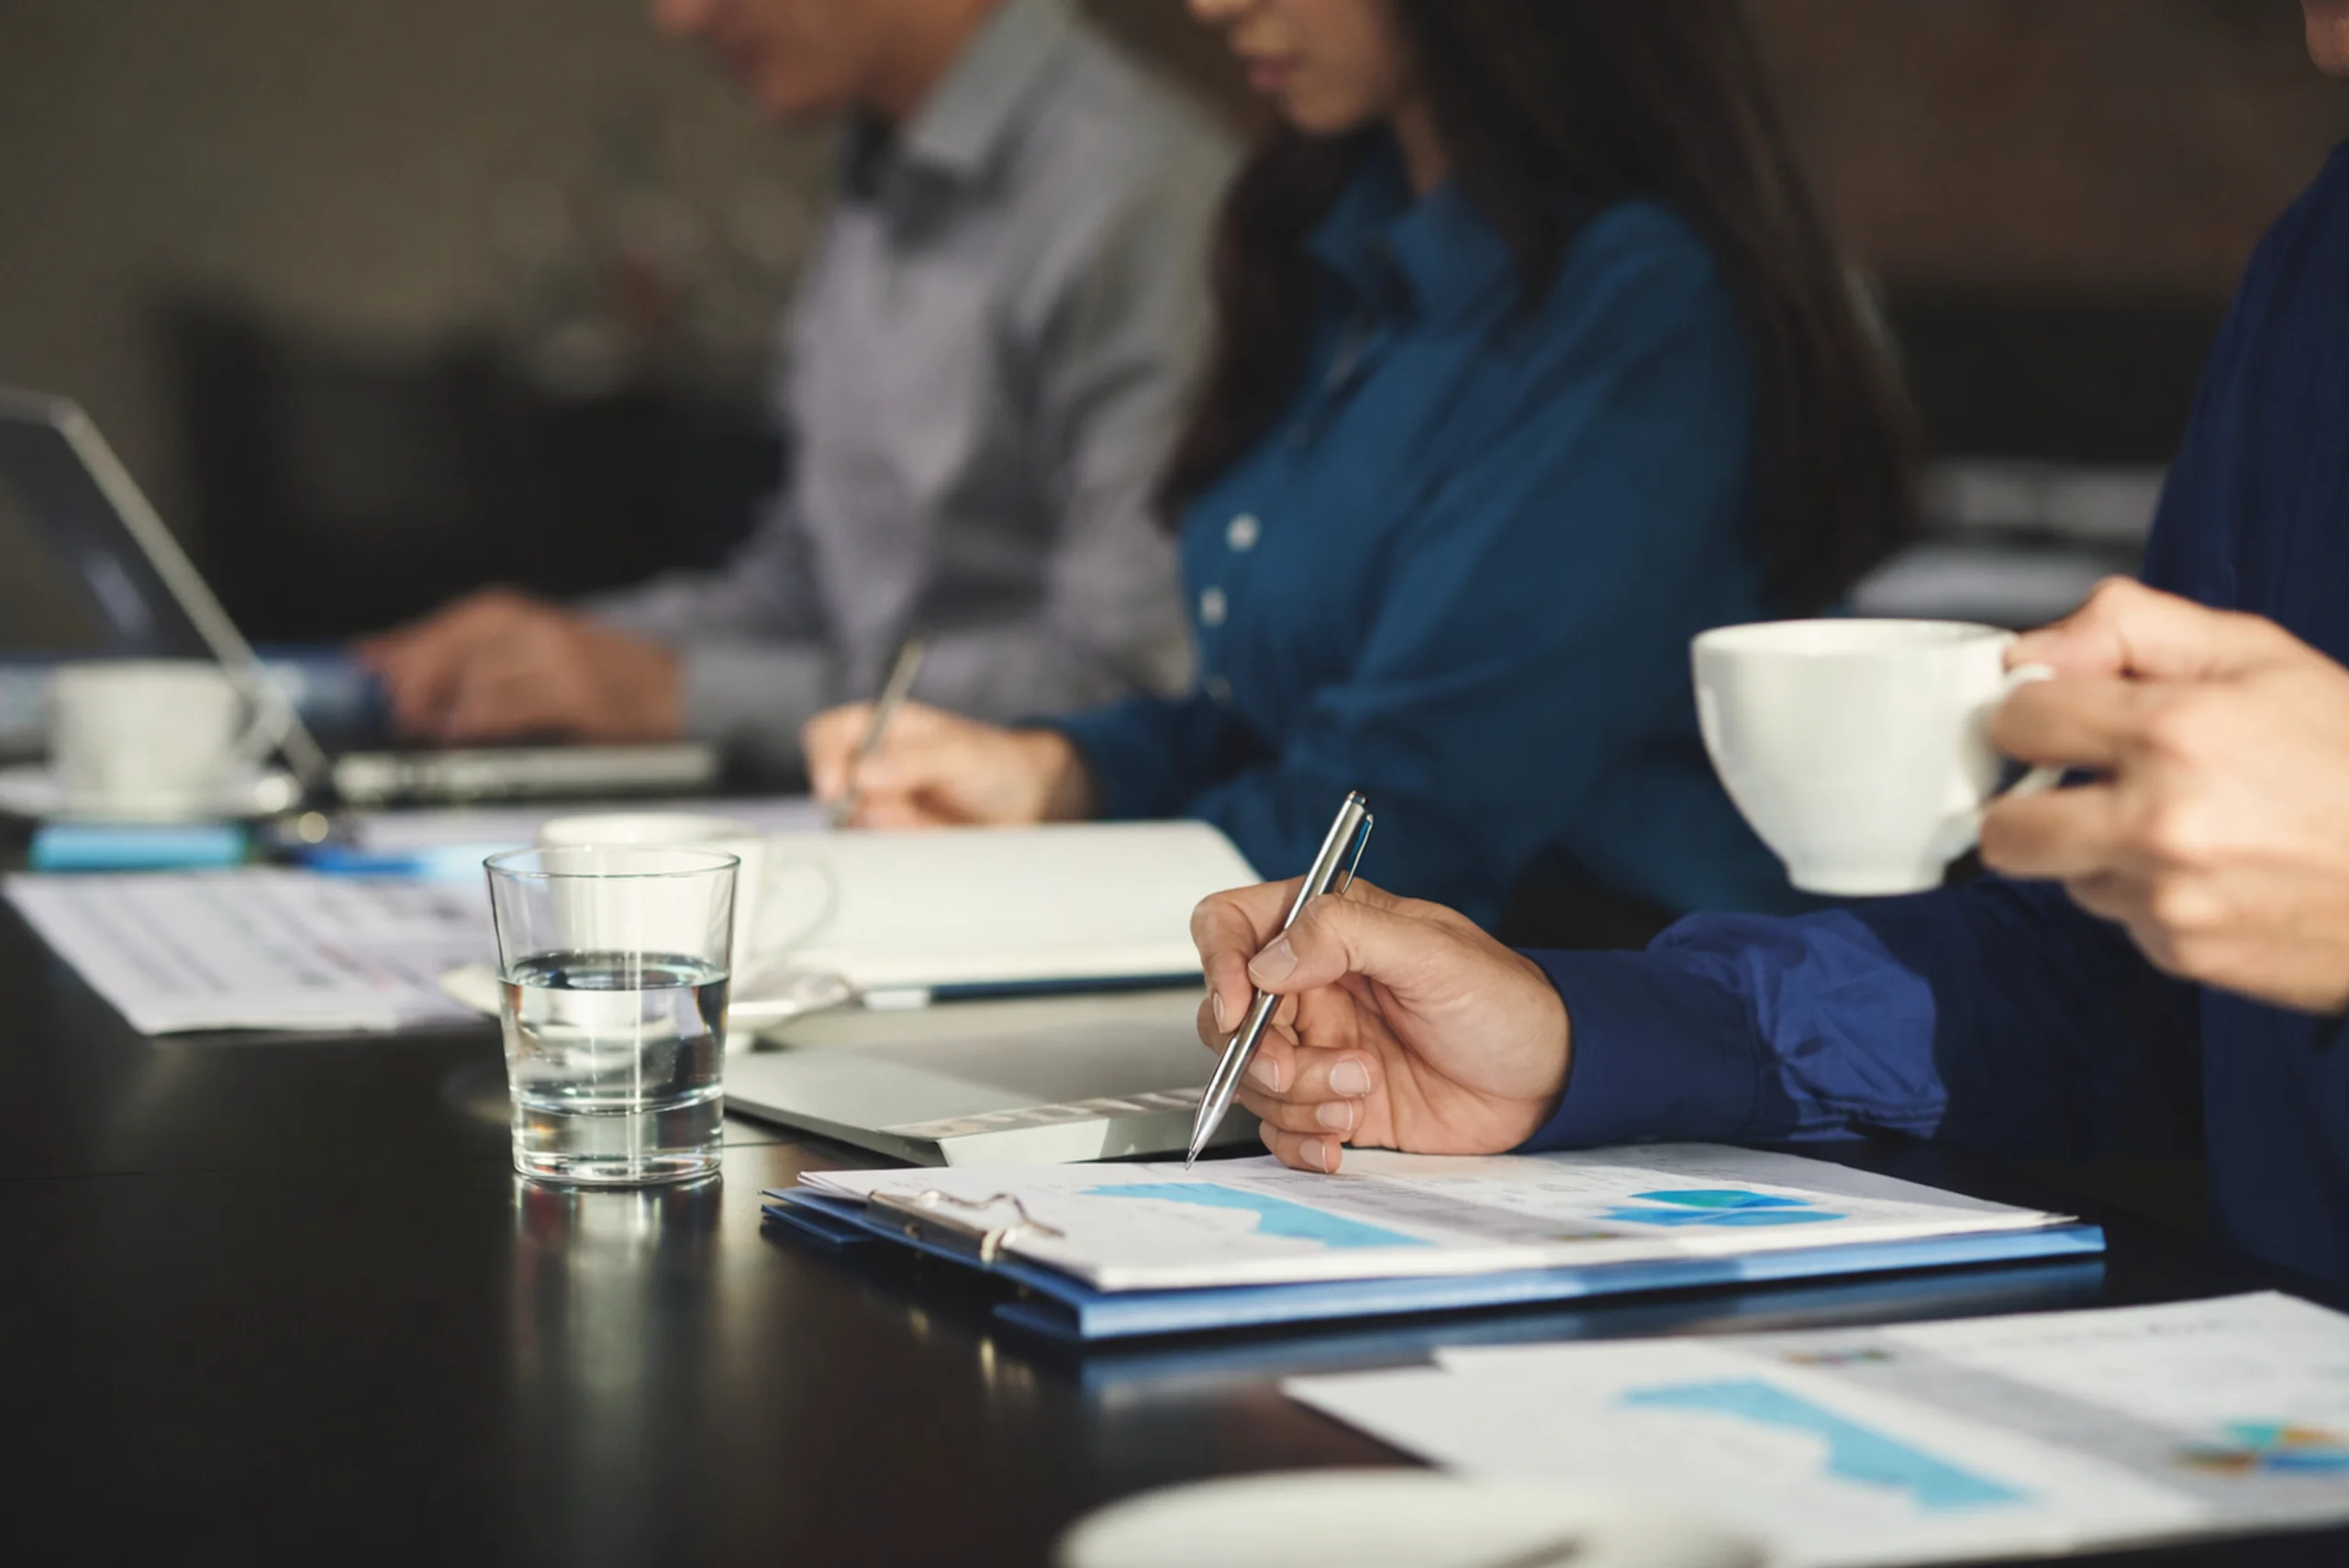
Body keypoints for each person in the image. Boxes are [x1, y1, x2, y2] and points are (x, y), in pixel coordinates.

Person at [1186, 0, 2349, 1289]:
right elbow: (2123, 979)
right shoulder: (2319, 266)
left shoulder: (1636, 299)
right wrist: (1585, 1036)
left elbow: (1430, 769)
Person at [803, 0, 1916, 936]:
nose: (1212, 5)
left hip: (1617, 1060)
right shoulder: (1337, 241)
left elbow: (1404, 819)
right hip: (1345, 1014)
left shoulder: (1645, 302)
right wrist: (1061, 774)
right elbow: (1278, 713)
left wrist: (1004, 885)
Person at [359, 0, 1232, 775]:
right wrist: (559, 655)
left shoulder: (1138, 192)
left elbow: (1136, 677)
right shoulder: (885, 165)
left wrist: (678, 695)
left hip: (1050, 870)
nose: (680, 16)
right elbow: (815, 586)